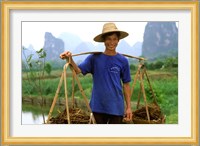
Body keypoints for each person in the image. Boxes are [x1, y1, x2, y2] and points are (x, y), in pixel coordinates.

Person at [60, 22, 132, 124]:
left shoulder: (123, 61)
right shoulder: (94, 58)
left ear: (118, 40)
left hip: (116, 108)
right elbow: (78, 71)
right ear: (103, 40)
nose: (112, 42)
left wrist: (128, 107)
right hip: (98, 107)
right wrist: (69, 59)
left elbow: (126, 85)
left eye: (115, 39)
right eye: (108, 39)